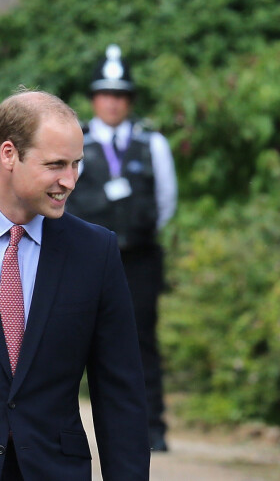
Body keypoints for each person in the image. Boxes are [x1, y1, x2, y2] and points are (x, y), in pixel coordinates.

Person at [0, 89, 150, 480]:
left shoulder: (95, 251)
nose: (69, 180)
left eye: (76, 164)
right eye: (55, 165)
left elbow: (120, 394)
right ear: (9, 154)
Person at [66, 44, 177, 452]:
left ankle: (152, 429)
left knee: (141, 341)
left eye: (120, 94)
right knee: (73, 340)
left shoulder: (153, 144)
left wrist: (135, 233)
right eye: (105, 94)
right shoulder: (76, 143)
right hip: (83, 259)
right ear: (94, 98)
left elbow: (166, 201)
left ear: (129, 100)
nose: (112, 102)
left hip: (138, 259)